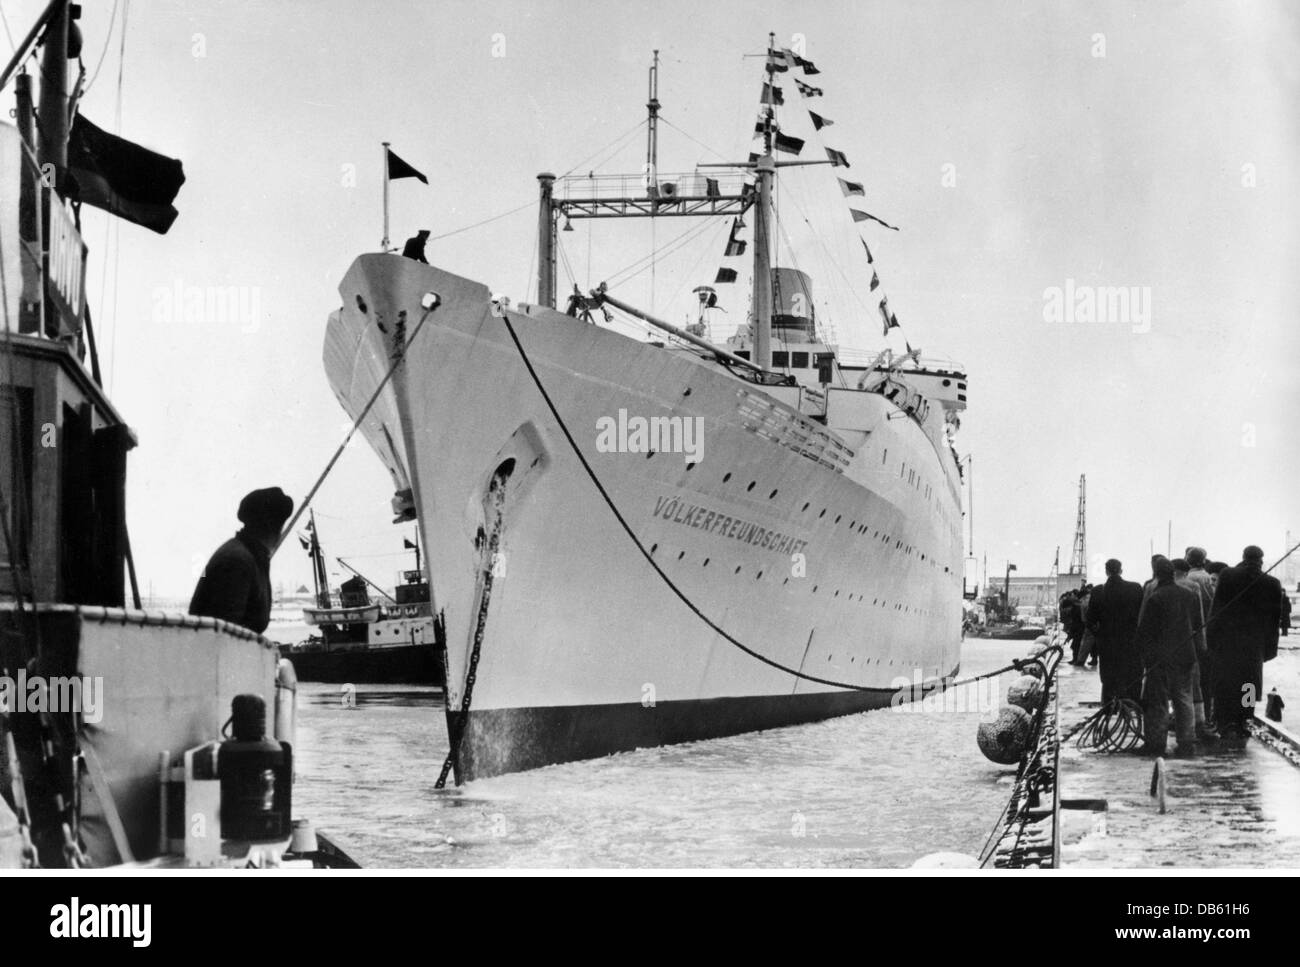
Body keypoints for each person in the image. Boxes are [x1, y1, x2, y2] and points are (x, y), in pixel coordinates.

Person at [189, 487, 295, 634]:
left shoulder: (247, 556)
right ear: (272, 527)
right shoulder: (237, 562)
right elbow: (225, 637)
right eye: (280, 525)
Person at [1208, 546, 1282, 739]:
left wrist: (1211, 639)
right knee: (1249, 684)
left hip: (1227, 641)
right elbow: (1274, 621)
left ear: (1243, 557)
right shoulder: (1272, 583)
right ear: (1261, 560)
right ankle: (1245, 720)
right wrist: (1270, 650)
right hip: (1254, 645)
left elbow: (1216, 610)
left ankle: (1225, 723)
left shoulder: (1228, 575)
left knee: (1226, 682)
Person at [1135, 557, 1203, 757]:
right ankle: (1187, 741)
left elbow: (1145, 631)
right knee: (1184, 698)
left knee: (1158, 701)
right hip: (1186, 655)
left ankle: (1155, 744)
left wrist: (1142, 654)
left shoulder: (1156, 597)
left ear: (1156, 574)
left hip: (1160, 657)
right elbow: (1198, 626)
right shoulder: (1189, 595)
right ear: (1173, 573)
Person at [1086, 559, 1144, 706]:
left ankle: (1110, 705)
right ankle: (1131, 704)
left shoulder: (1098, 591)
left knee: (1109, 677)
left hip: (1107, 642)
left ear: (1106, 571)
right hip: (1130, 640)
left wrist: (1099, 634)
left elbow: (1090, 620)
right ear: (1121, 570)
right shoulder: (1135, 588)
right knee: (1131, 673)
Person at [1183, 547, 1219, 737]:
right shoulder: (1209, 579)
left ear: (1188, 560)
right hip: (1209, 635)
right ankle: (1207, 717)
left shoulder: (1186, 580)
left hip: (1190, 635)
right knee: (1206, 680)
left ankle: (1192, 719)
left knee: (1189, 680)